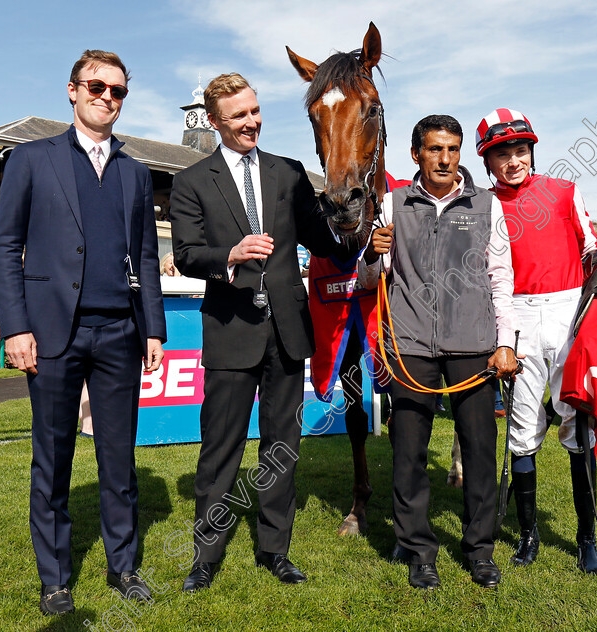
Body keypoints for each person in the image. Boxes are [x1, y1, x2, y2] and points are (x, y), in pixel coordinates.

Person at [0, 49, 166, 616]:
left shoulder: (135, 172)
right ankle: (56, 579)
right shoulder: (31, 159)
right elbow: (4, 247)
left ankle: (123, 568)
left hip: (119, 333)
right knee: (53, 461)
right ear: (72, 90)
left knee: (119, 461)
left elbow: (144, 252)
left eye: (117, 91)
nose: (107, 98)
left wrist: (153, 330)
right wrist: (15, 326)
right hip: (51, 335)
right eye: (97, 86)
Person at [169, 72, 354, 593]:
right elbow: (186, 255)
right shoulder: (191, 182)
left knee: (281, 449)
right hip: (230, 331)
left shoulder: (290, 173)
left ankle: (276, 550)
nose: (251, 123)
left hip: (288, 333)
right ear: (214, 122)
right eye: (238, 116)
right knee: (220, 448)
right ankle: (205, 557)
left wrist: (361, 233)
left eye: (254, 111)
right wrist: (228, 255)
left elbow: (326, 242)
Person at [359, 114, 518, 589]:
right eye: (434, 149)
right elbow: (371, 281)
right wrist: (372, 251)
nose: (444, 159)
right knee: (408, 453)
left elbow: (501, 278)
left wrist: (505, 342)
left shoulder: (487, 206)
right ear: (416, 155)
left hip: (473, 345)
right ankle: (418, 549)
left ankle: (480, 549)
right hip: (409, 346)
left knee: (479, 452)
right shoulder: (391, 204)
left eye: (452, 149)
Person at [475, 108, 597, 574]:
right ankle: (528, 536)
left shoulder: (565, 191)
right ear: (488, 162)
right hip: (519, 319)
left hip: (569, 315)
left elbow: (591, 249)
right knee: (523, 431)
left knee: (578, 427)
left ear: (532, 150)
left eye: (520, 150)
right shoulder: (484, 205)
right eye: (501, 153)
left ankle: (586, 537)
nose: (513, 160)